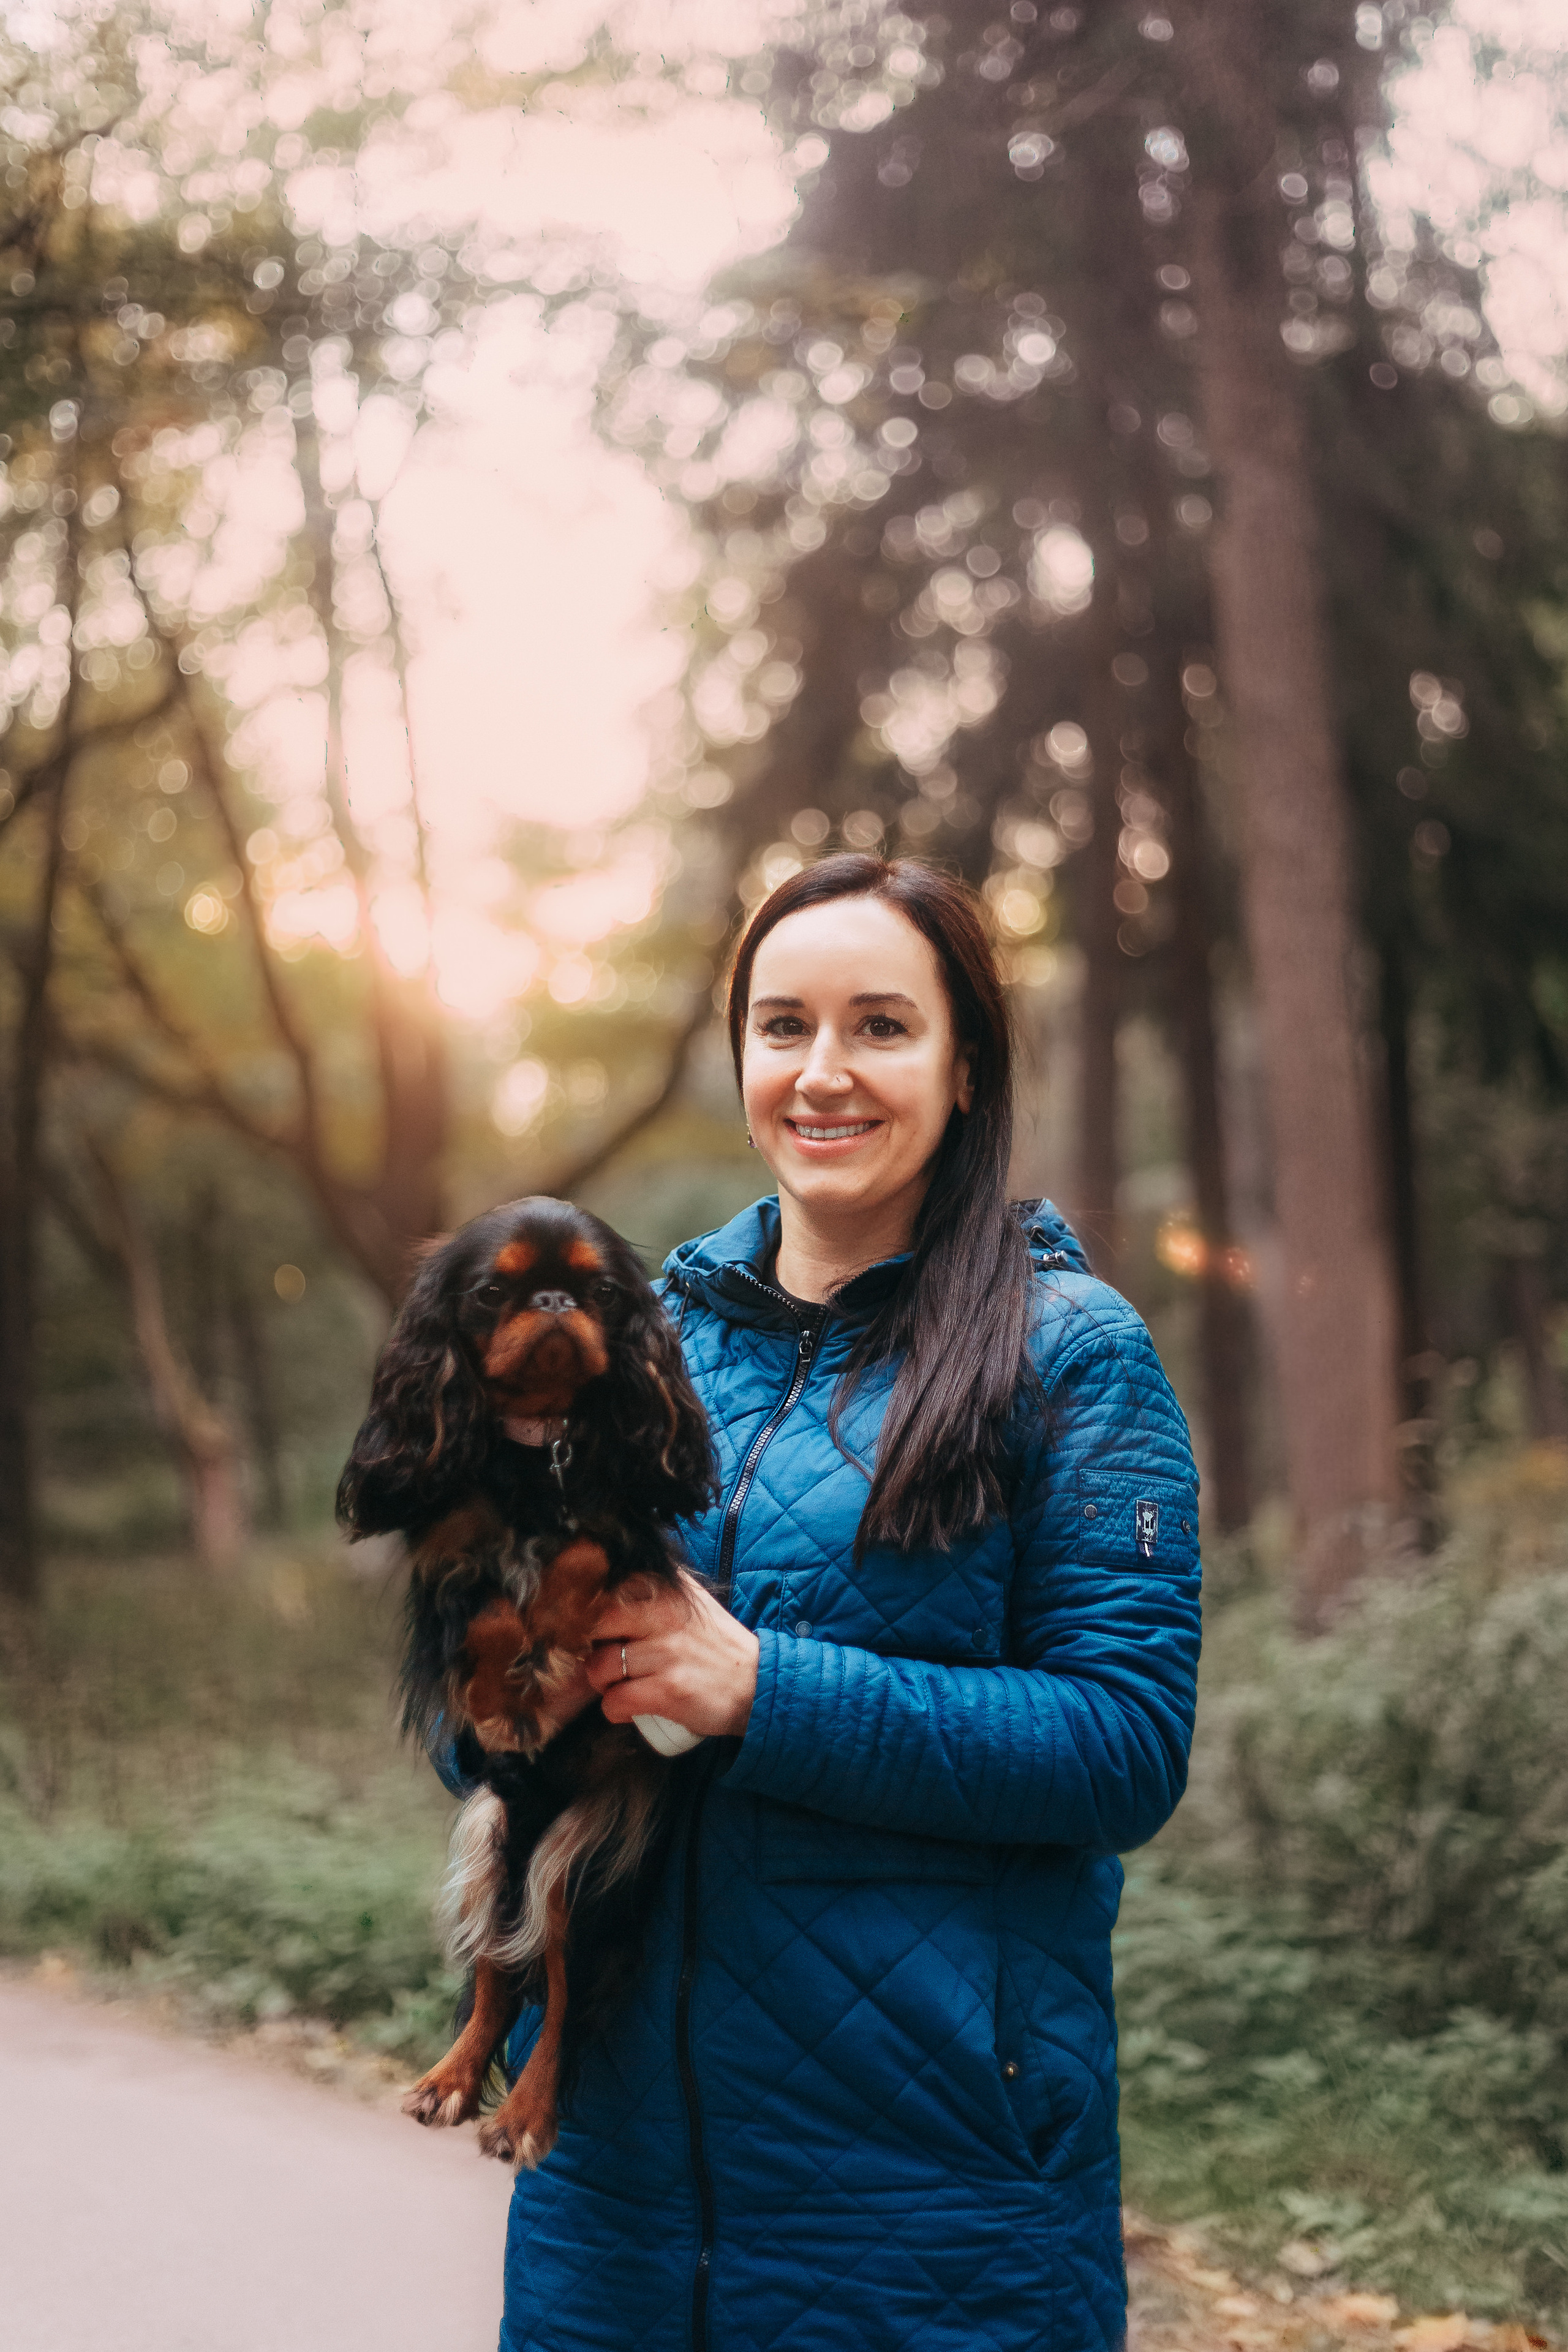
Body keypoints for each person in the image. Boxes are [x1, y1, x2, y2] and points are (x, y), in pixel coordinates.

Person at [470, 853, 1201, 2351]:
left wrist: (765, 1693)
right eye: (780, 1023)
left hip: (930, 2207)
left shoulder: (1070, 1353)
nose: (821, 1072)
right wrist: (508, 1700)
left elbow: (1124, 1744)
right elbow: (490, 1716)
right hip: (603, 2196)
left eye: (879, 1025)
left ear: (964, 1062)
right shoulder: (636, 1347)